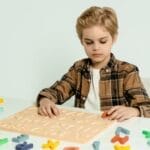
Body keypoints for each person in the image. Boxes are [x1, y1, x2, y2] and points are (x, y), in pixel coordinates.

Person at [36, 6, 150, 121]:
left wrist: (134, 110)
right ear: (82, 41)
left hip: (114, 129)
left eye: (103, 41)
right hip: (83, 128)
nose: (96, 47)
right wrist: (45, 100)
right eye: (89, 42)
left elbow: (147, 107)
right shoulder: (78, 69)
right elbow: (55, 92)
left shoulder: (127, 71)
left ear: (114, 38)